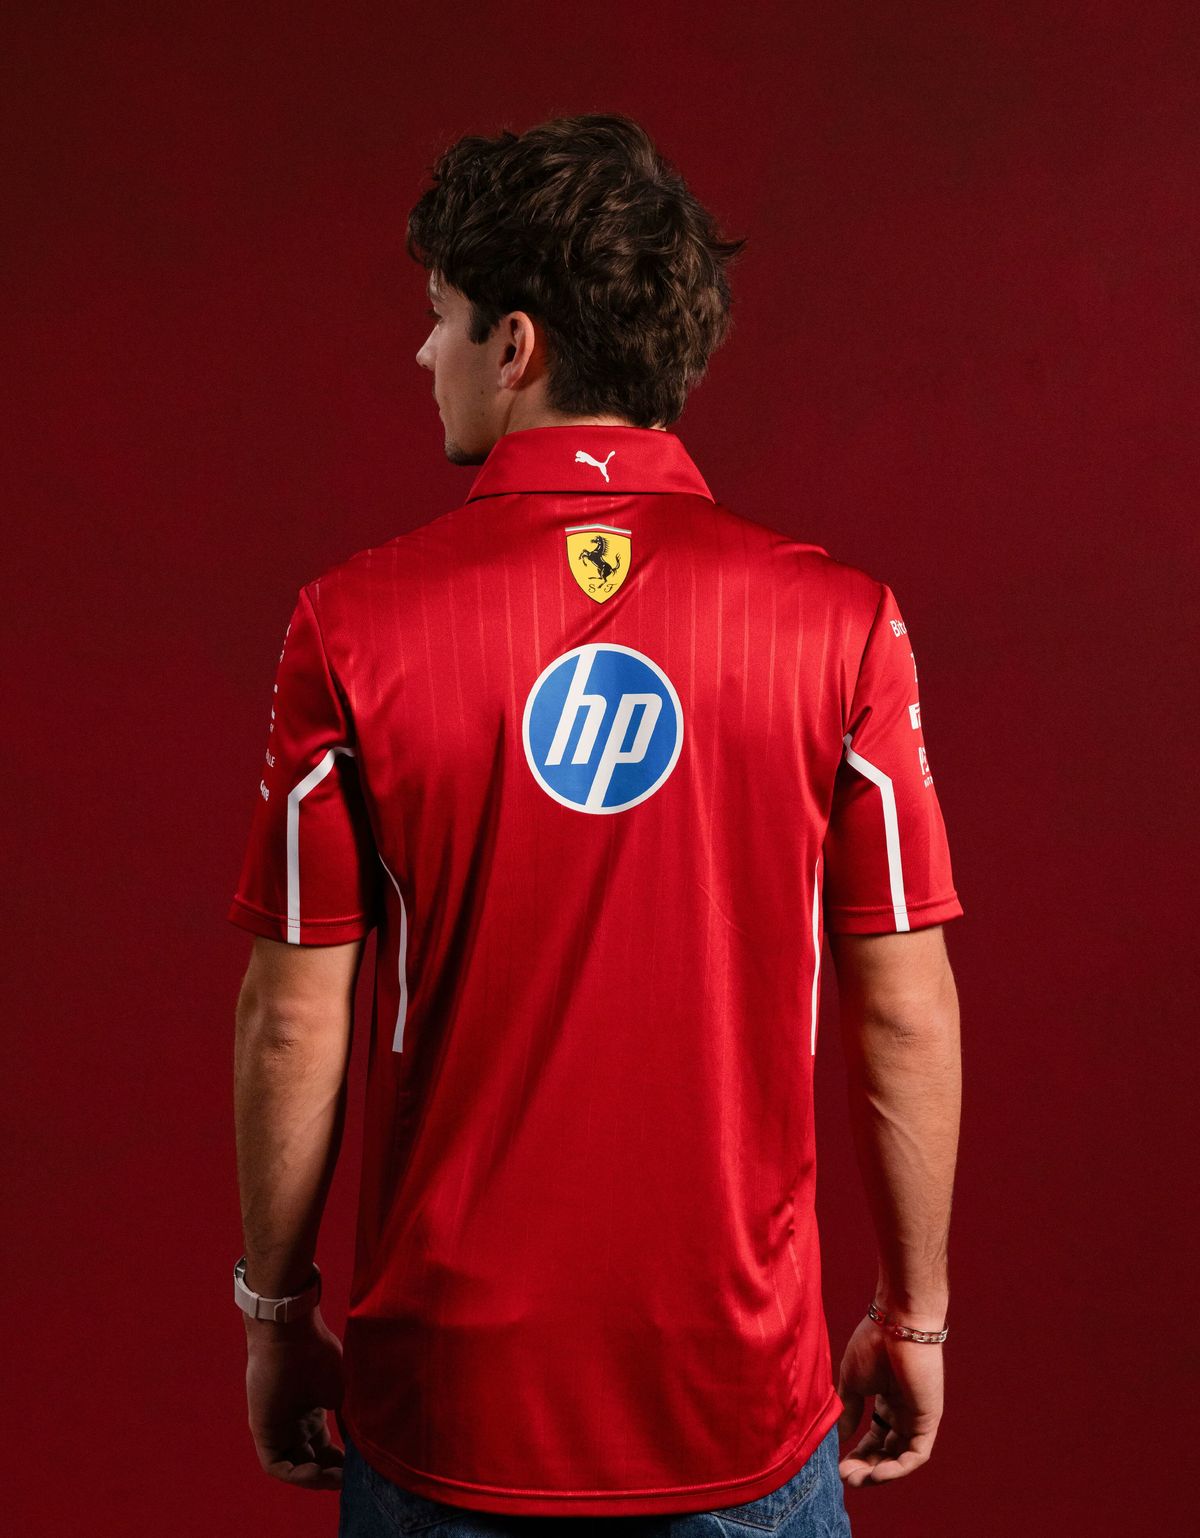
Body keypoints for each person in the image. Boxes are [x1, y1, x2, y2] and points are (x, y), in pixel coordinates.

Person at [228, 112, 962, 1538]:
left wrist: (275, 1311)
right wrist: (914, 1319)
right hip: (737, 1397)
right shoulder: (842, 625)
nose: (420, 356)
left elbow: (289, 1023)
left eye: (437, 317)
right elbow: (905, 1006)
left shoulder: (353, 624)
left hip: (448, 1403)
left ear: (516, 346)